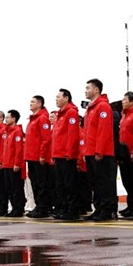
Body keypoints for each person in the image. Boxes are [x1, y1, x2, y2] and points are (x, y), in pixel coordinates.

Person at [83, 78, 117, 221]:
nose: (85, 91)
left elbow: (104, 131)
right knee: (95, 182)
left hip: (101, 153)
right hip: (90, 151)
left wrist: (99, 151)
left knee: (104, 182)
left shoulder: (103, 106)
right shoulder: (90, 109)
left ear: (96, 90)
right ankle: (98, 208)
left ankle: (107, 210)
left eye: (88, 88)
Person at [51, 89, 81, 220]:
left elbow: (72, 134)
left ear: (66, 98)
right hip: (59, 154)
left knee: (70, 184)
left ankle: (73, 210)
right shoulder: (60, 114)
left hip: (66, 155)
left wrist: (69, 152)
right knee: (60, 184)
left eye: (58, 97)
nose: (56, 99)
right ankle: (63, 208)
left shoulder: (71, 113)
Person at [25, 95, 54, 218]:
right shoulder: (33, 119)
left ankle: (43, 207)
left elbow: (46, 139)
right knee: (35, 183)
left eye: (33, 102)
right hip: (31, 156)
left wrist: (42, 155)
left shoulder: (42, 118)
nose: (30, 103)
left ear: (39, 104)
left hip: (39, 157)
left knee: (42, 183)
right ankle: (39, 206)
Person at [1, 110, 26, 217]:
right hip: (6, 164)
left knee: (16, 188)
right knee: (9, 188)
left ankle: (19, 209)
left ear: (14, 118)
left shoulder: (17, 131)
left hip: (13, 165)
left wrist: (17, 163)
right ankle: (13, 208)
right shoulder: (8, 132)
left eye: (7, 117)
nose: (5, 120)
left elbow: (19, 149)